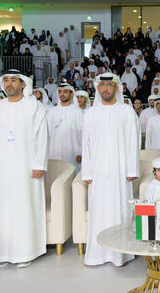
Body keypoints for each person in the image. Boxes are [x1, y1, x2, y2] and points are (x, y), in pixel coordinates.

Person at [0, 69, 49, 268]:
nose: (9, 84)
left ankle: (25, 251)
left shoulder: (34, 107)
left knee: (23, 208)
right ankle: (1, 253)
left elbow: (43, 137)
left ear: (23, 84)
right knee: (2, 209)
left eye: (13, 80)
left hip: (26, 166)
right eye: (6, 81)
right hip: (2, 167)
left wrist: (39, 164)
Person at [82, 73, 140, 266]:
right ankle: (97, 254)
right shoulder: (90, 113)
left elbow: (134, 142)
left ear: (117, 88)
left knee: (120, 211)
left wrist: (132, 169)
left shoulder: (127, 112)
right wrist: (87, 172)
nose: (106, 89)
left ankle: (120, 254)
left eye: (109, 85)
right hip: (98, 172)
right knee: (98, 211)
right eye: (102, 85)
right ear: (98, 88)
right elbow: (86, 145)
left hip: (121, 172)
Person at [47, 83, 83, 171]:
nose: (62, 94)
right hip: (55, 151)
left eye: (65, 92)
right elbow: (46, 133)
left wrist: (81, 152)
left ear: (71, 94)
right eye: (60, 92)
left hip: (74, 153)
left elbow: (83, 134)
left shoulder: (78, 112)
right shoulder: (52, 112)